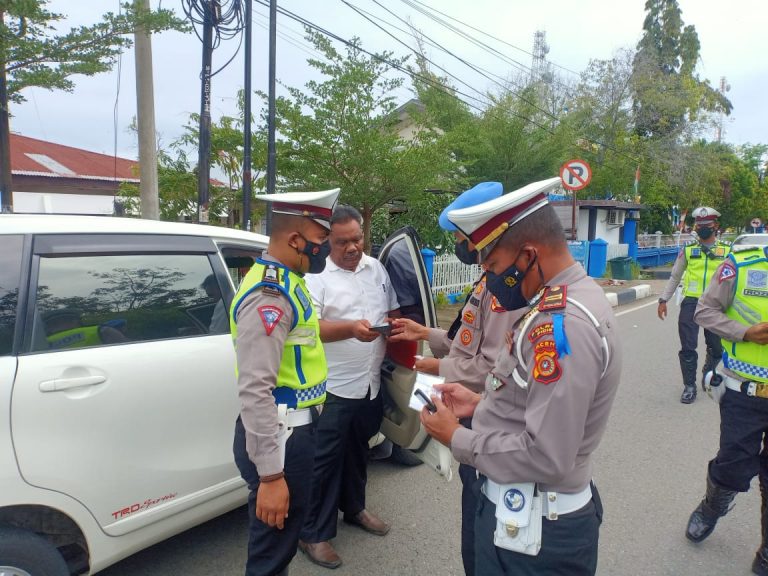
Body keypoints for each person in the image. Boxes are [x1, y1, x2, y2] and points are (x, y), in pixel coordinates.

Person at [420, 177, 622, 576]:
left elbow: (547, 455)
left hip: (535, 533)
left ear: (529, 254)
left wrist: (456, 437)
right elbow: (534, 400)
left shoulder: (562, 326)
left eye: (493, 266)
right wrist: (479, 404)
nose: (490, 277)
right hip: (519, 516)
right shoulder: (552, 304)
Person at [390, 181, 519, 576]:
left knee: (489, 527)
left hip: (491, 417)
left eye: (462, 238)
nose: (460, 247)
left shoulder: (511, 291)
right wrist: (422, 334)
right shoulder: (487, 281)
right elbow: (462, 343)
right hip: (469, 411)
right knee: (474, 514)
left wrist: (434, 368)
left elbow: (495, 368)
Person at [230, 188, 340, 576]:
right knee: (271, 555)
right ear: (296, 240)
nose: (325, 249)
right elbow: (256, 388)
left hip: (292, 431)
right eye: (322, 240)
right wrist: (271, 475)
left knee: (278, 545)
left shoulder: (290, 281)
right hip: (282, 438)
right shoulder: (270, 296)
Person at [297, 205, 399, 569]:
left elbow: (389, 312)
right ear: (328, 243)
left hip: (370, 382)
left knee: (359, 451)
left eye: (357, 238)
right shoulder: (317, 276)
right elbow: (310, 328)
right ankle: (313, 533)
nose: (353, 247)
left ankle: (354, 508)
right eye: (343, 242)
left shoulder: (376, 269)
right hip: (333, 388)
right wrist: (351, 329)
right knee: (323, 462)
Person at [685, 243, 768, 576]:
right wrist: (744, 332)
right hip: (744, 393)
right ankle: (711, 507)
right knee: (733, 467)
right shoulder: (743, 265)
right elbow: (703, 311)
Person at [657, 206, 730, 403]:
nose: (702, 228)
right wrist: (663, 299)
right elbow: (675, 276)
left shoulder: (727, 251)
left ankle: (709, 372)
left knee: (716, 348)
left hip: (716, 305)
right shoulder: (688, 250)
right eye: (699, 225)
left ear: (716, 226)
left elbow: (735, 281)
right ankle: (689, 386)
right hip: (691, 303)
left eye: (706, 225)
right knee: (688, 346)